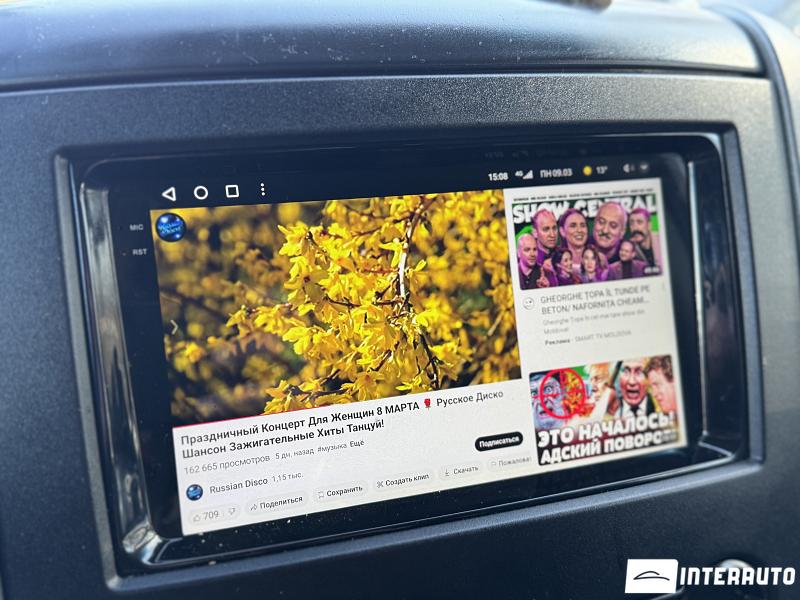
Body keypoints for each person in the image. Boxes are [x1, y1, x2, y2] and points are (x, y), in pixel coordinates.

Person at [628, 207, 661, 271]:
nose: (635, 228)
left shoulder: (660, 239)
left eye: (639, 222)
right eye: (631, 223)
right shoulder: (630, 248)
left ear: (649, 225)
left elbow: (655, 216)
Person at [558, 208, 589, 276]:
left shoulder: (600, 260)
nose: (579, 230)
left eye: (583, 225)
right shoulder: (554, 265)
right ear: (562, 231)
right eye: (573, 226)